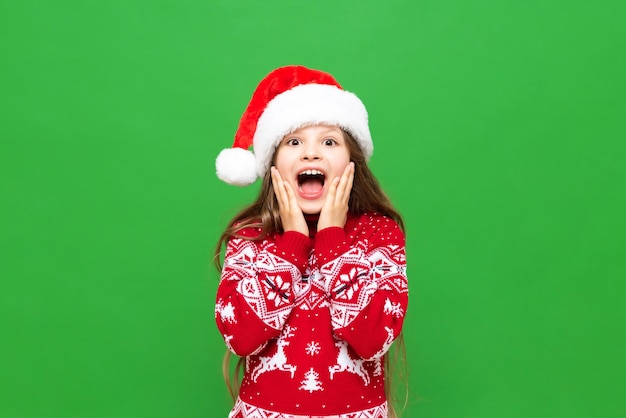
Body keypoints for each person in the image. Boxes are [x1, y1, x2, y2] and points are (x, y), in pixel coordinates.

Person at [214, 65, 408, 418]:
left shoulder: (380, 234)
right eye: (293, 141)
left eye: (329, 141)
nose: (311, 154)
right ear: (271, 162)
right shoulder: (250, 236)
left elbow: (372, 340)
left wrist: (334, 243)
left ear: (353, 162)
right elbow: (241, 336)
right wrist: (291, 245)